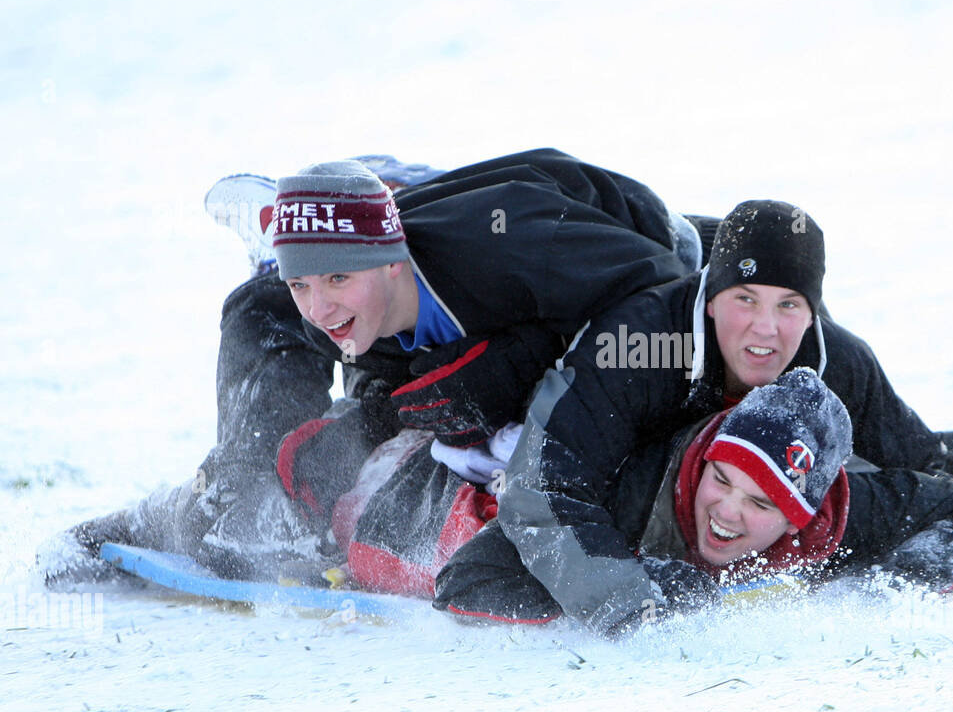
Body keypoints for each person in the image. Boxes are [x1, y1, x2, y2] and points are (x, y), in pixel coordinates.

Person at [481, 200, 953, 635]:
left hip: (721, 484)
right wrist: (625, 600)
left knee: (951, 475)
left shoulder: (831, 358)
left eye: (789, 305)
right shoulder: (638, 346)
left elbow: (934, 482)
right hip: (631, 485)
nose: (765, 328)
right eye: (744, 300)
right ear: (709, 297)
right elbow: (540, 493)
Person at [47, 148, 697, 581]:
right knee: (278, 322)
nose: (321, 303)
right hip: (421, 293)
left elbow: (663, 296)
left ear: (392, 258)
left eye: (334, 276)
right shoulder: (332, 307)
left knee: (435, 387)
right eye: (308, 281)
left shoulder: (515, 246)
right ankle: (219, 497)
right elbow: (324, 324)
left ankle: (384, 184)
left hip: (633, 249)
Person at [426, 368, 953, 630]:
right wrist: (636, 585)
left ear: (800, 516)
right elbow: (465, 580)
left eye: (763, 505)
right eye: (722, 480)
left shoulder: (840, 514)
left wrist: (887, 588)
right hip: (453, 489)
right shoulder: (631, 491)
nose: (728, 511)